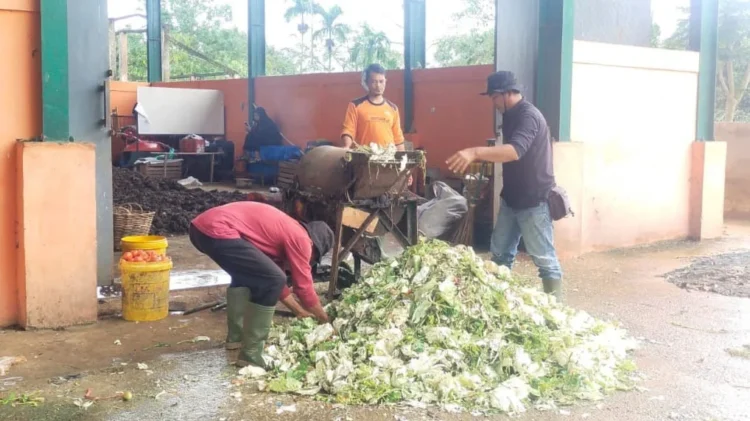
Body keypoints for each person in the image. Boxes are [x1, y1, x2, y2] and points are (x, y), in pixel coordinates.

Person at [445, 71, 563, 301]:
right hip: (511, 199)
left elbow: (514, 151)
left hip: (534, 200)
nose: (493, 103)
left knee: (545, 260)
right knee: (499, 256)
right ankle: (497, 303)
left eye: (493, 98)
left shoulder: (528, 116)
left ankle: (557, 313)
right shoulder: (509, 116)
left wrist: (475, 152)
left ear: (505, 94)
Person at [189, 201, 334, 367]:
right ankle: (251, 354)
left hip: (200, 229)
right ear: (315, 247)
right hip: (218, 229)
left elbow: (279, 287)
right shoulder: (302, 240)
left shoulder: (283, 234)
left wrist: (299, 312)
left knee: (248, 276)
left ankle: (236, 338)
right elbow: (303, 288)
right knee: (273, 278)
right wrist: (325, 321)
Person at [341, 63, 406, 151]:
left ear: (385, 81)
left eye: (381, 81)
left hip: (388, 159)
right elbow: (348, 130)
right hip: (364, 158)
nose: (378, 85)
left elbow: (398, 139)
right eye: (374, 81)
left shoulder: (393, 108)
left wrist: (403, 160)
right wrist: (346, 147)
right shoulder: (355, 105)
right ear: (367, 82)